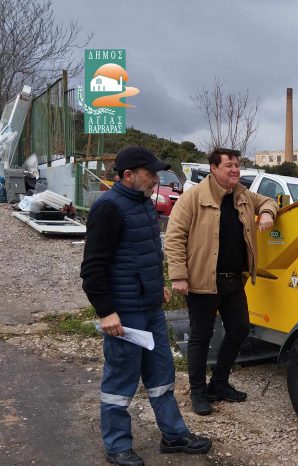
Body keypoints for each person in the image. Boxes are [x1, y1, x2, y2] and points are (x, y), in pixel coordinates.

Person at [81, 147, 211, 466]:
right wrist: (106, 311)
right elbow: (93, 268)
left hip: (150, 307)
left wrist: (159, 286)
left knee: (161, 375)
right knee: (120, 382)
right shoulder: (109, 208)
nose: (156, 178)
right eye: (150, 173)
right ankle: (117, 446)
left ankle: (174, 434)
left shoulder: (142, 204)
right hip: (125, 314)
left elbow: (144, 254)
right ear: (128, 175)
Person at [164, 148, 278, 416]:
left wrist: (268, 213)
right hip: (202, 281)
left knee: (239, 330)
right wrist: (178, 275)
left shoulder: (242, 195)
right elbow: (174, 236)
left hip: (233, 280)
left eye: (237, 165)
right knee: (201, 337)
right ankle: (198, 392)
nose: (235, 170)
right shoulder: (193, 198)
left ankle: (218, 383)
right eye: (229, 165)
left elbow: (268, 201)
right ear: (213, 168)